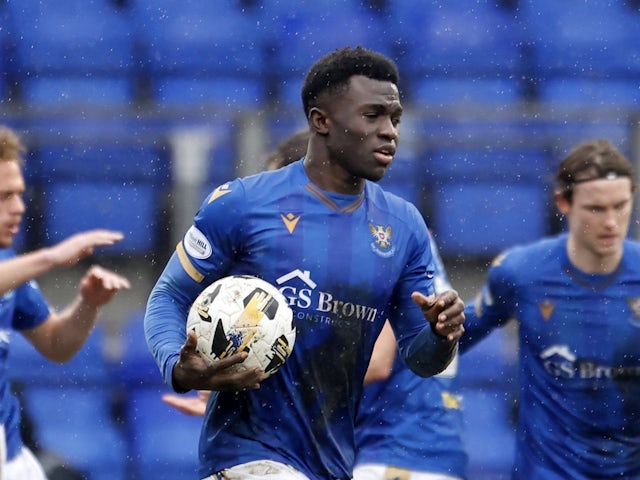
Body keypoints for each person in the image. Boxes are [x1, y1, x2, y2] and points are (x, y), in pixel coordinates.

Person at [144, 46, 465, 480]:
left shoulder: (403, 226)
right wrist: (178, 367)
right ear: (321, 121)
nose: (389, 132)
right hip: (245, 454)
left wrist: (442, 334)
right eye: (372, 116)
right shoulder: (242, 203)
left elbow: (421, 358)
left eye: (395, 119)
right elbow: (170, 294)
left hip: (331, 460)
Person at [459, 139, 640, 479]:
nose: (612, 222)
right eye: (596, 209)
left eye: (621, 205)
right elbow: (442, 347)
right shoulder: (521, 273)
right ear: (563, 202)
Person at [0, 125, 131, 479]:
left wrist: (88, 304)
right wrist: (51, 257)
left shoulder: (8, 263)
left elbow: (57, 345)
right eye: (4, 196)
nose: (19, 207)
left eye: (20, 194)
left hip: (10, 457)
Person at [354, 230, 467, 480]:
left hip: (395, 449)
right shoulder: (421, 253)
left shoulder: (390, 251)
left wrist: (300, 382)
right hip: (441, 451)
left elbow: (377, 364)